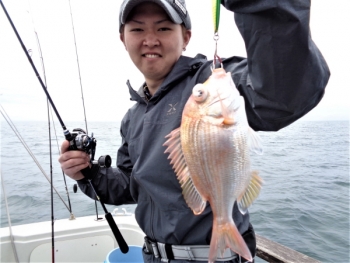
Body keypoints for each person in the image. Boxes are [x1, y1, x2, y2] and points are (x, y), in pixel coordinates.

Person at [59, 0, 330, 262]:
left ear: (186, 36)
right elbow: (132, 187)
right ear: (123, 38)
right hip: (150, 256)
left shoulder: (209, 81)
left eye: (164, 28)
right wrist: (88, 173)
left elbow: (283, 93)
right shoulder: (132, 117)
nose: (150, 39)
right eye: (138, 29)